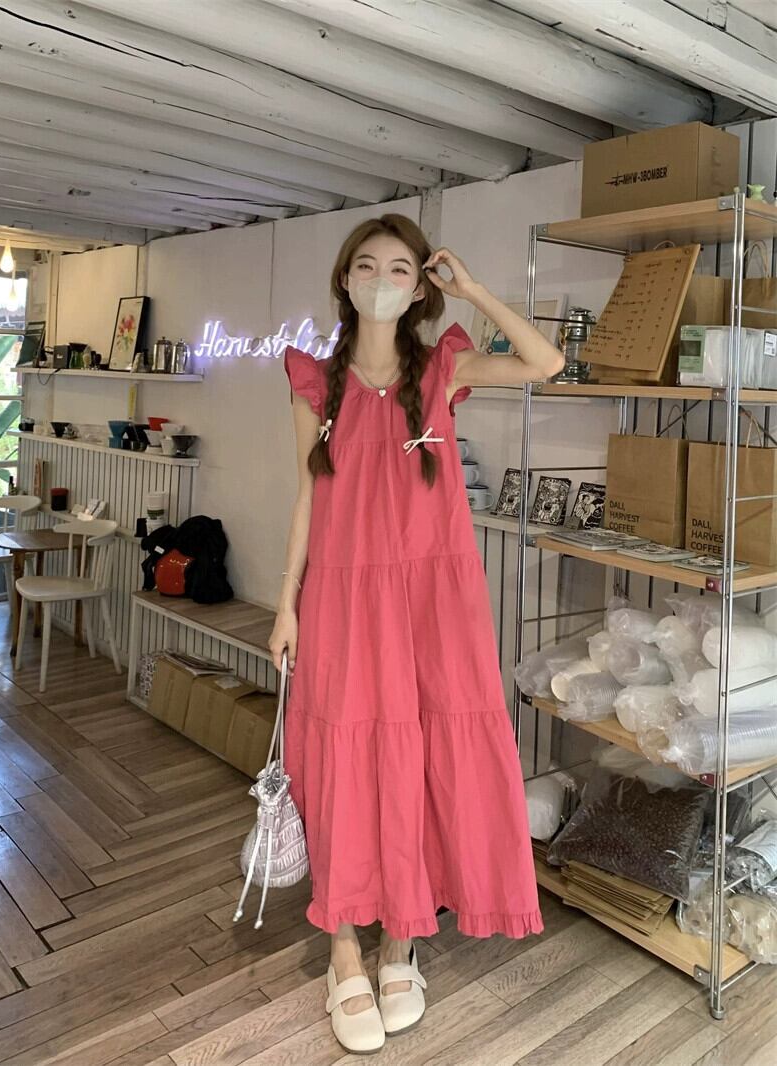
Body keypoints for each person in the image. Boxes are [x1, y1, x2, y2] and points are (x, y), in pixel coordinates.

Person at [269, 213, 565, 1054]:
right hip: (342, 597)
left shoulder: (442, 368)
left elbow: (545, 362)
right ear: (345, 280)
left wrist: (472, 290)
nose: (382, 279)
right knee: (342, 757)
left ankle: (401, 940)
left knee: (426, 752)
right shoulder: (314, 383)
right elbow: (308, 496)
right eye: (366, 266)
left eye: (400, 268)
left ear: (420, 286)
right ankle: (343, 949)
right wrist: (287, 603)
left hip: (434, 600)